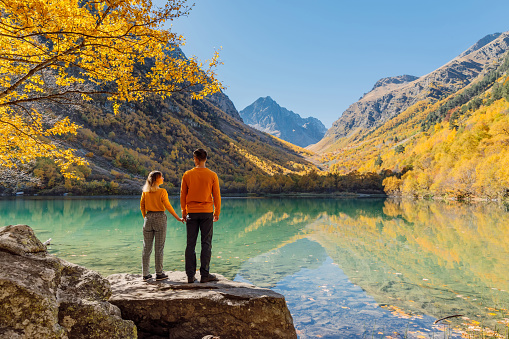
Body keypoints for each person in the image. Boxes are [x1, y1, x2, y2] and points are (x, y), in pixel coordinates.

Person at [180, 148, 221, 283]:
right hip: (207, 213)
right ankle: (204, 275)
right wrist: (217, 212)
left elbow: (183, 195)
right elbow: (216, 196)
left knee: (190, 244)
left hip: (192, 212)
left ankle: (190, 276)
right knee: (206, 243)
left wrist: (184, 211)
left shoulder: (187, 174)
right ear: (205, 159)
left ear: (195, 159)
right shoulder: (212, 175)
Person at [140, 170, 183, 282]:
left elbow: (142, 207)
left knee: (146, 248)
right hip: (160, 218)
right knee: (159, 248)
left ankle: (145, 274)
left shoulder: (145, 192)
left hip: (148, 219)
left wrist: (147, 217)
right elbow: (168, 206)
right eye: (161, 177)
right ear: (156, 180)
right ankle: (159, 274)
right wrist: (178, 218)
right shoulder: (162, 191)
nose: (163, 178)